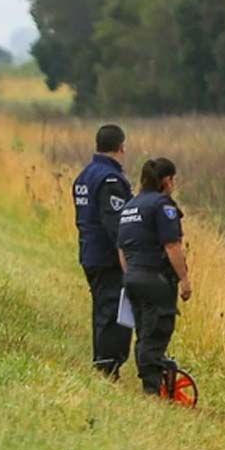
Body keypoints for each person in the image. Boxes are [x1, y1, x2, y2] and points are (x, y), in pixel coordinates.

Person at [117, 158, 191, 395]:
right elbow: (172, 246)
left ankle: (152, 383)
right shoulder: (163, 206)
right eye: (173, 179)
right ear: (166, 180)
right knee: (156, 333)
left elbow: (121, 249)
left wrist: (131, 275)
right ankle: (152, 390)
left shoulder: (130, 206)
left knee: (144, 333)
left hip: (133, 278)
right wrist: (184, 279)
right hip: (156, 280)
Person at [73, 124, 133, 376]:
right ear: (121, 147)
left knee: (102, 309)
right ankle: (107, 366)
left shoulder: (84, 176)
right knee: (113, 312)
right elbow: (117, 227)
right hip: (108, 257)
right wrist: (130, 259)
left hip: (89, 252)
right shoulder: (110, 179)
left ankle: (102, 362)